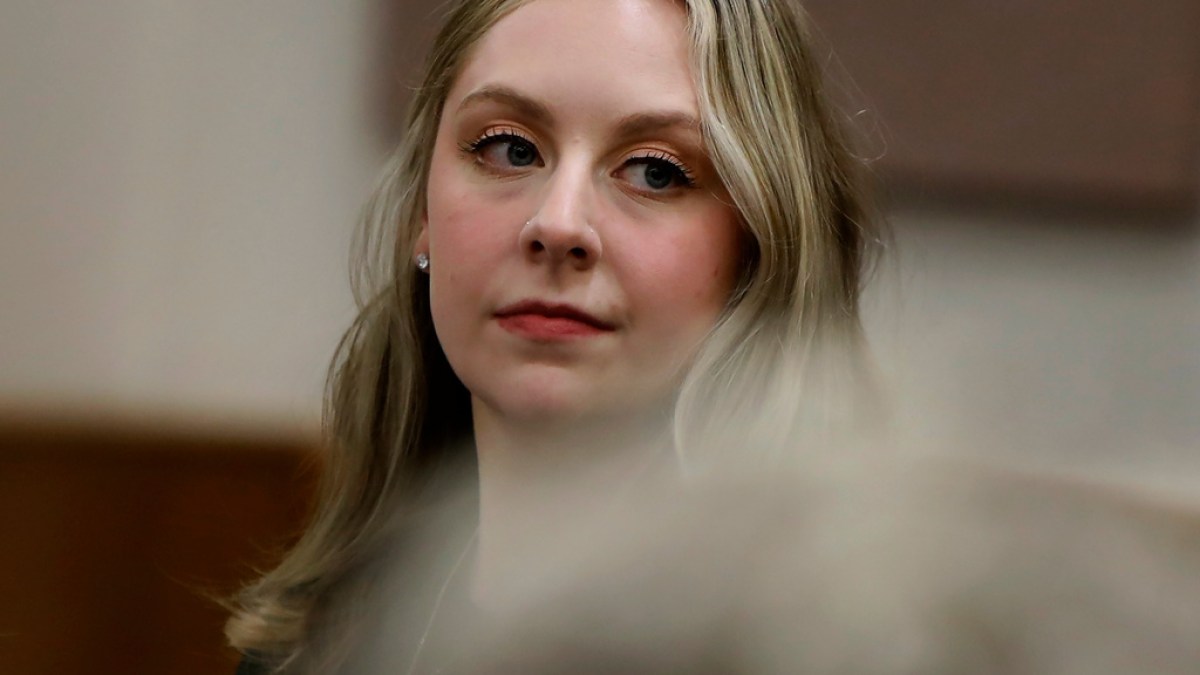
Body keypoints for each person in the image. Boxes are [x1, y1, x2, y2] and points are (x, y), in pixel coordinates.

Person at [227, 0, 877, 671]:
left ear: (761, 247)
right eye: (509, 149)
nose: (559, 223)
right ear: (422, 212)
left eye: (654, 170)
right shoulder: (309, 654)